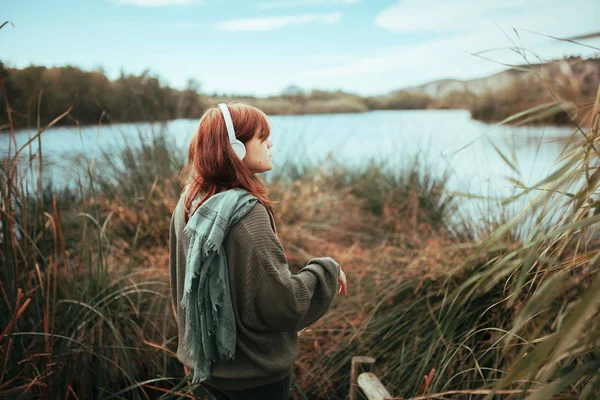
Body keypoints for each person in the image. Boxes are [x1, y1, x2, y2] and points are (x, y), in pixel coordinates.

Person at [169, 102, 348, 400]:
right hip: (255, 378)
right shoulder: (246, 213)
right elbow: (284, 303)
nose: (270, 143)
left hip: (207, 368)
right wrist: (326, 270)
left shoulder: (189, 201)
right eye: (261, 137)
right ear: (235, 148)